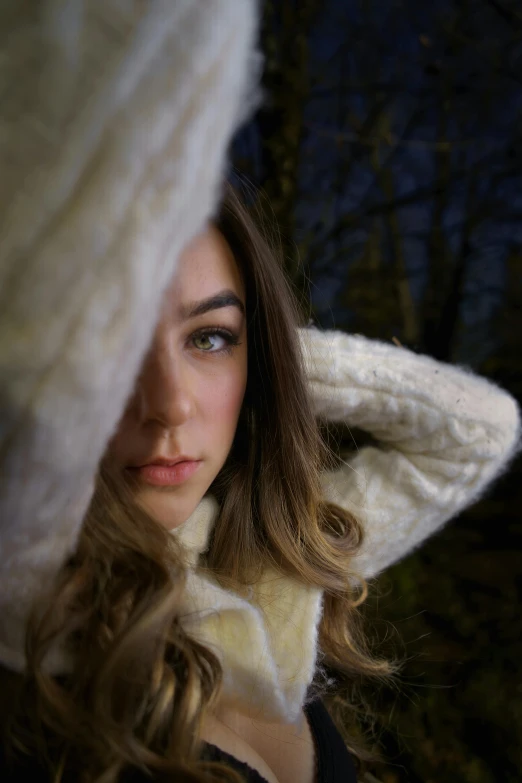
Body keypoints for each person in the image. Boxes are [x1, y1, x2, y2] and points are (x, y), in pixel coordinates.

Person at [2, 182, 521, 783]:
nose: (171, 405)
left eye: (210, 337)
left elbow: (478, 432)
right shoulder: (29, 629)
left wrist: (275, 360)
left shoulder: (270, 549)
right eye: (108, 348)